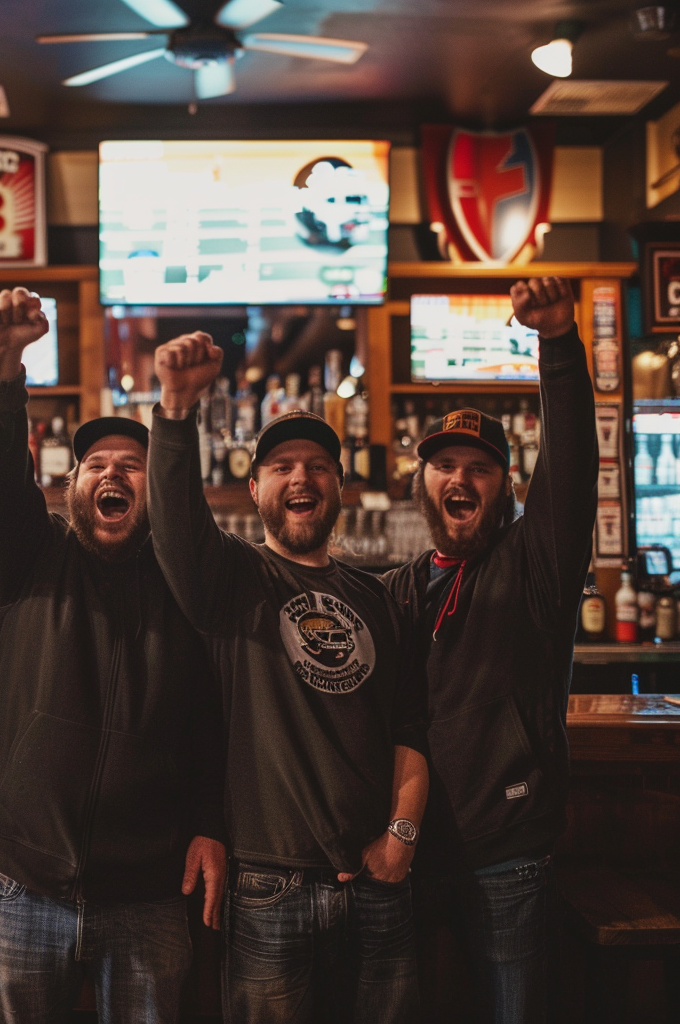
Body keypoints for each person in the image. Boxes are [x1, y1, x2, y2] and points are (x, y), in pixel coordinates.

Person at [148, 332, 428, 1024]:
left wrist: (401, 838)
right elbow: (178, 525)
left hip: (377, 879)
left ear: (339, 483)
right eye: (280, 467)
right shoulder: (236, 579)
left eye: (316, 466)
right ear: (255, 489)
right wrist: (177, 409)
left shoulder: (379, 592)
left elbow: (409, 724)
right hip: (271, 882)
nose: (300, 478)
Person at [0, 286, 226, 1024]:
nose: (112, 474)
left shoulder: (189, 580)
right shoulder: (29, 558)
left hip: (146, 893)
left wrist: (212, 819)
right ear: (71, 484)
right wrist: (4, 360)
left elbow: (214, 717)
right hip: (22, 885)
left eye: (132, 465)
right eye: (95, 464)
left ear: (157, 489)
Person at [382, 277, 598, 1024]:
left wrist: (558, 344)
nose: (461, 477)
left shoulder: (536, 564)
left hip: (507, 854)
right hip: (406, 854)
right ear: (423, 483)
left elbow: (569, 470)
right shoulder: (402, 586)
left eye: (479, 467)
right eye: (445, 465)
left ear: (505, 486)